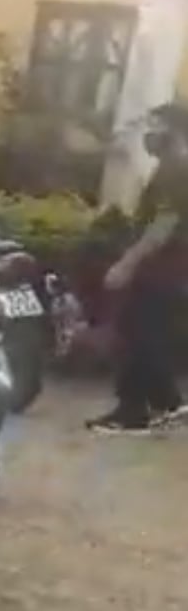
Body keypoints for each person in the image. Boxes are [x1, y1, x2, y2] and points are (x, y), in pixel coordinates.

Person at [89, 103, 188, 434]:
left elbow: (164, 224)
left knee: (140, 337)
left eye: (156, 125)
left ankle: (133, 411)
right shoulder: (172, 167)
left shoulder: (177, 168)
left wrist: (127, 262)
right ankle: (169, 404)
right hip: (165, 271)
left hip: (161, 271)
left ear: (174, 131)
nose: (149, 133)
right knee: (146, 336)